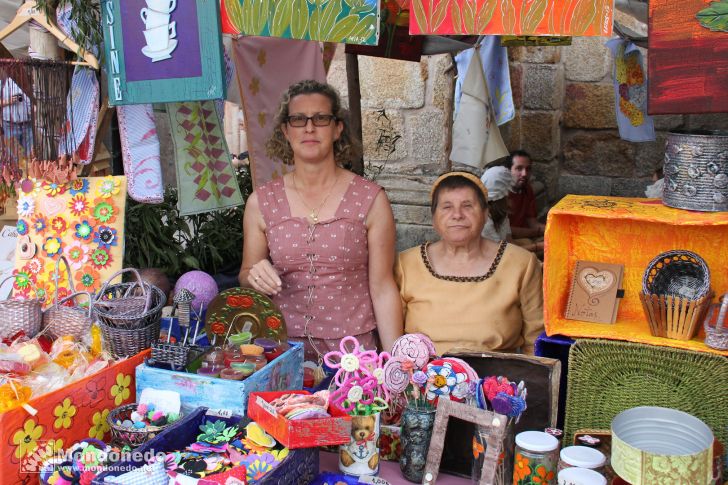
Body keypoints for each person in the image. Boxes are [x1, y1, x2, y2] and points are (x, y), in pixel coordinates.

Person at [239, 80, 403, 360]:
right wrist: (255, 276)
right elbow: (246, 274)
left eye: (321, 118)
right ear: (285, 131)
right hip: (281, 351)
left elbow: (383, 287)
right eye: (298, 119)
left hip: (353, 354)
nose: (310, 128)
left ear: (338, 128)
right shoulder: (262, 202)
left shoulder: (371, 200)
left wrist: (395, 366)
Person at [395, 171, 544, 355]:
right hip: (423, 379)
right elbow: (393, 337)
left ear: (485, 213)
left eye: (467, 206)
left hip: (498, 379)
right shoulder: (406, 264)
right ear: (433, 217)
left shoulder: (521, 263)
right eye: (447, 207)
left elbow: (536, 340)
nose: (457, 215)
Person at [507, 150, 545, 240]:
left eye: (528, 169)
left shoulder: (527, 189)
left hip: (525, 238)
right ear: (508, 171)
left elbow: (533, 224)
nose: (524, 174)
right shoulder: (500, 194)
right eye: (519, 168)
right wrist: (536, 233)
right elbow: (506, 231)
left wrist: (555, 230)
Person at [1, 77, 32, 157]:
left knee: (30, 155)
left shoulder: (27, 81)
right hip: (10, 126)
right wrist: (9, 101)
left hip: (27, 125)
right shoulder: (3, 82)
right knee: (18, 158)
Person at [480, 166, 513, 242]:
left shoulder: (501, 212)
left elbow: (509, 240)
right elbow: (501, 251)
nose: (510, 195)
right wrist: (537, 246)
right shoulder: (485, 221)